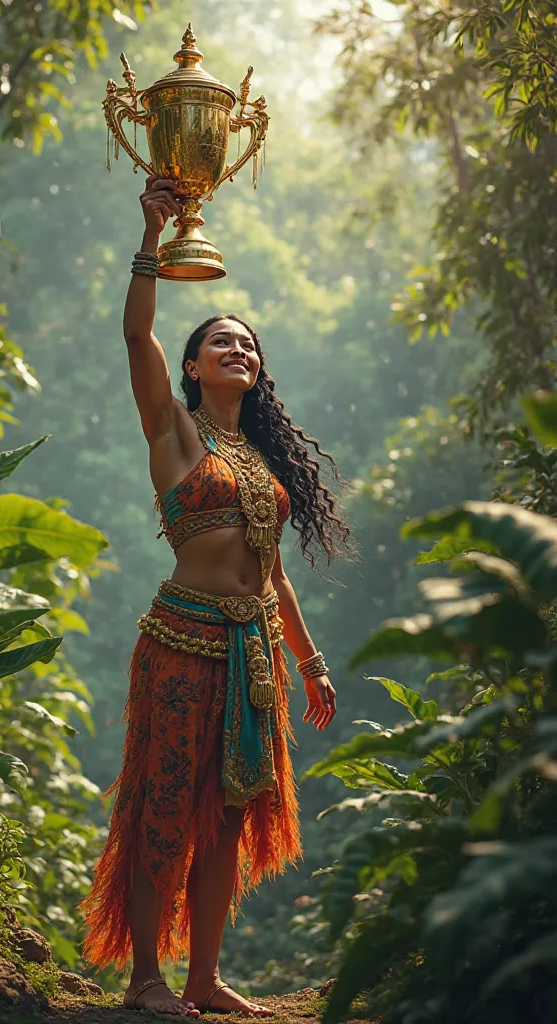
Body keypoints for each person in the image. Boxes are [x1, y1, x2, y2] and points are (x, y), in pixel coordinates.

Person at [80, 176, 350, 1017]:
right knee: (163, 803)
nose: (238, 350)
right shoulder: (175, 429)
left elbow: (272, 577)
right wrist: (151, 236)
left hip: (253, 652)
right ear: (192, 365)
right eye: (221, 342)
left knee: (229, 821)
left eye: (248, 345)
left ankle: (203, 979)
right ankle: (147, 981)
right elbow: (134, 333)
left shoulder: (261, 463)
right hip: (181, 641)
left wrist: (310, 663)